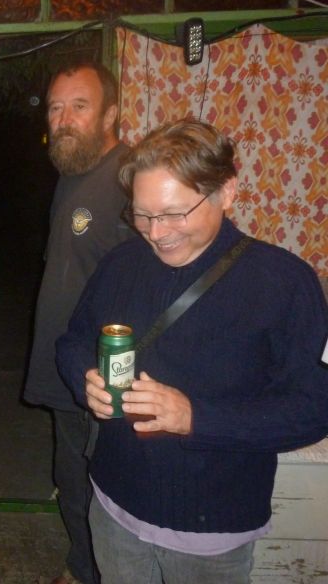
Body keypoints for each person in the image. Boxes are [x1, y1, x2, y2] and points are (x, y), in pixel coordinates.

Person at [56, 118, 328, 583]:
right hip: (112, 507)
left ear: (226, 191)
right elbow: (73, 341)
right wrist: (87, 379)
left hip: (212, 535)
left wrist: (195, 418)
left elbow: (314, 409)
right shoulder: (120, 263)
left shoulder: (284, 283)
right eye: (142, 214)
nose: (156, 232)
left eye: (174, 213)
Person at [23, 60, 134, 584]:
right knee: (70, 472)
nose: (63, 119)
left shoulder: (130, 179)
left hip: (102, 376)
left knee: (100, 483)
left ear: (110, 114)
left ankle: (93, 571)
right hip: (68, 365)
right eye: (56, 108)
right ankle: (82, 563)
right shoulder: (71, 175)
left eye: (79, 106)